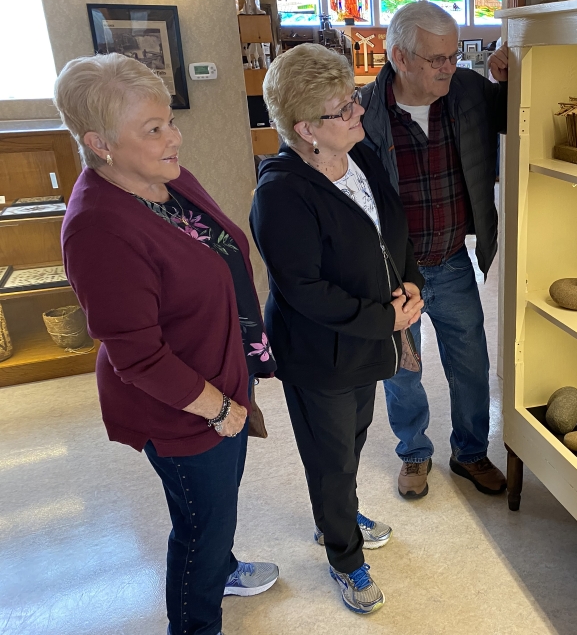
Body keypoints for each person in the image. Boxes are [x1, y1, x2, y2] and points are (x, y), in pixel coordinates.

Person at [56, 53, 278, 635]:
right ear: (100, 143)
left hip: (222, 375)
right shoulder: (98, 227)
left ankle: (224, 569)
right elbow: (138, 356)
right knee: (201, 530)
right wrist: (220, 409)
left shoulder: (167, 180)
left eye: (170, 122)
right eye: (153, 129)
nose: (175, 138)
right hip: (184, 407)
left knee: (218, 510)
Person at [250, 43, 424, 615]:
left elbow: (391, 230)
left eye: (354, 98)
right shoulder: (280, 193)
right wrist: (385, 318)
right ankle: (345, 558)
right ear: (305, 129)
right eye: (343, 108)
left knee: (351, 439)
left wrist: (412, 281)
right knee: (331, 458)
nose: (359, 111)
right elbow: (303, 289)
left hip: (367, 340)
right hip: (319, 352)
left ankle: (338, 518)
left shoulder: (360, 155)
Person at [360, 1, 509, 498]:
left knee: (471, 364)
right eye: (436, 59)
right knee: (403, 370)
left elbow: (517, 112)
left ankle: (470, 453)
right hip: (393, 274)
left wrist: (508, 75)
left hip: (451, 260)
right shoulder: (366, 111)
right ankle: (414, 453)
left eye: (453, 55)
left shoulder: (468, 91)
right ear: (400, 57)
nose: (449, 67)